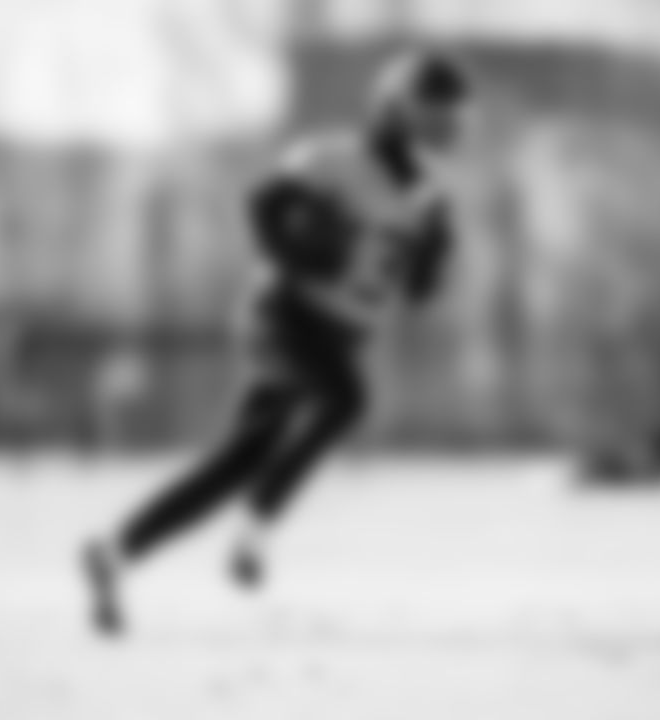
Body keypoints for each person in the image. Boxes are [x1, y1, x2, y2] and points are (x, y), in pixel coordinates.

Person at [81, 51, 473, 636]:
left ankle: (115, 553)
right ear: (395, 108)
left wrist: (429, 263)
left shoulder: (433, 194)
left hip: (338, 333)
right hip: (282, 316)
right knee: (346, 400)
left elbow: (415, 288)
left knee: (238, 459)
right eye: (431, 109)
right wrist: (306, 251)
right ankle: (254, 531)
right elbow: (260, 205)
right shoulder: (334, 157)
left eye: (450, 113)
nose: (443, 124)